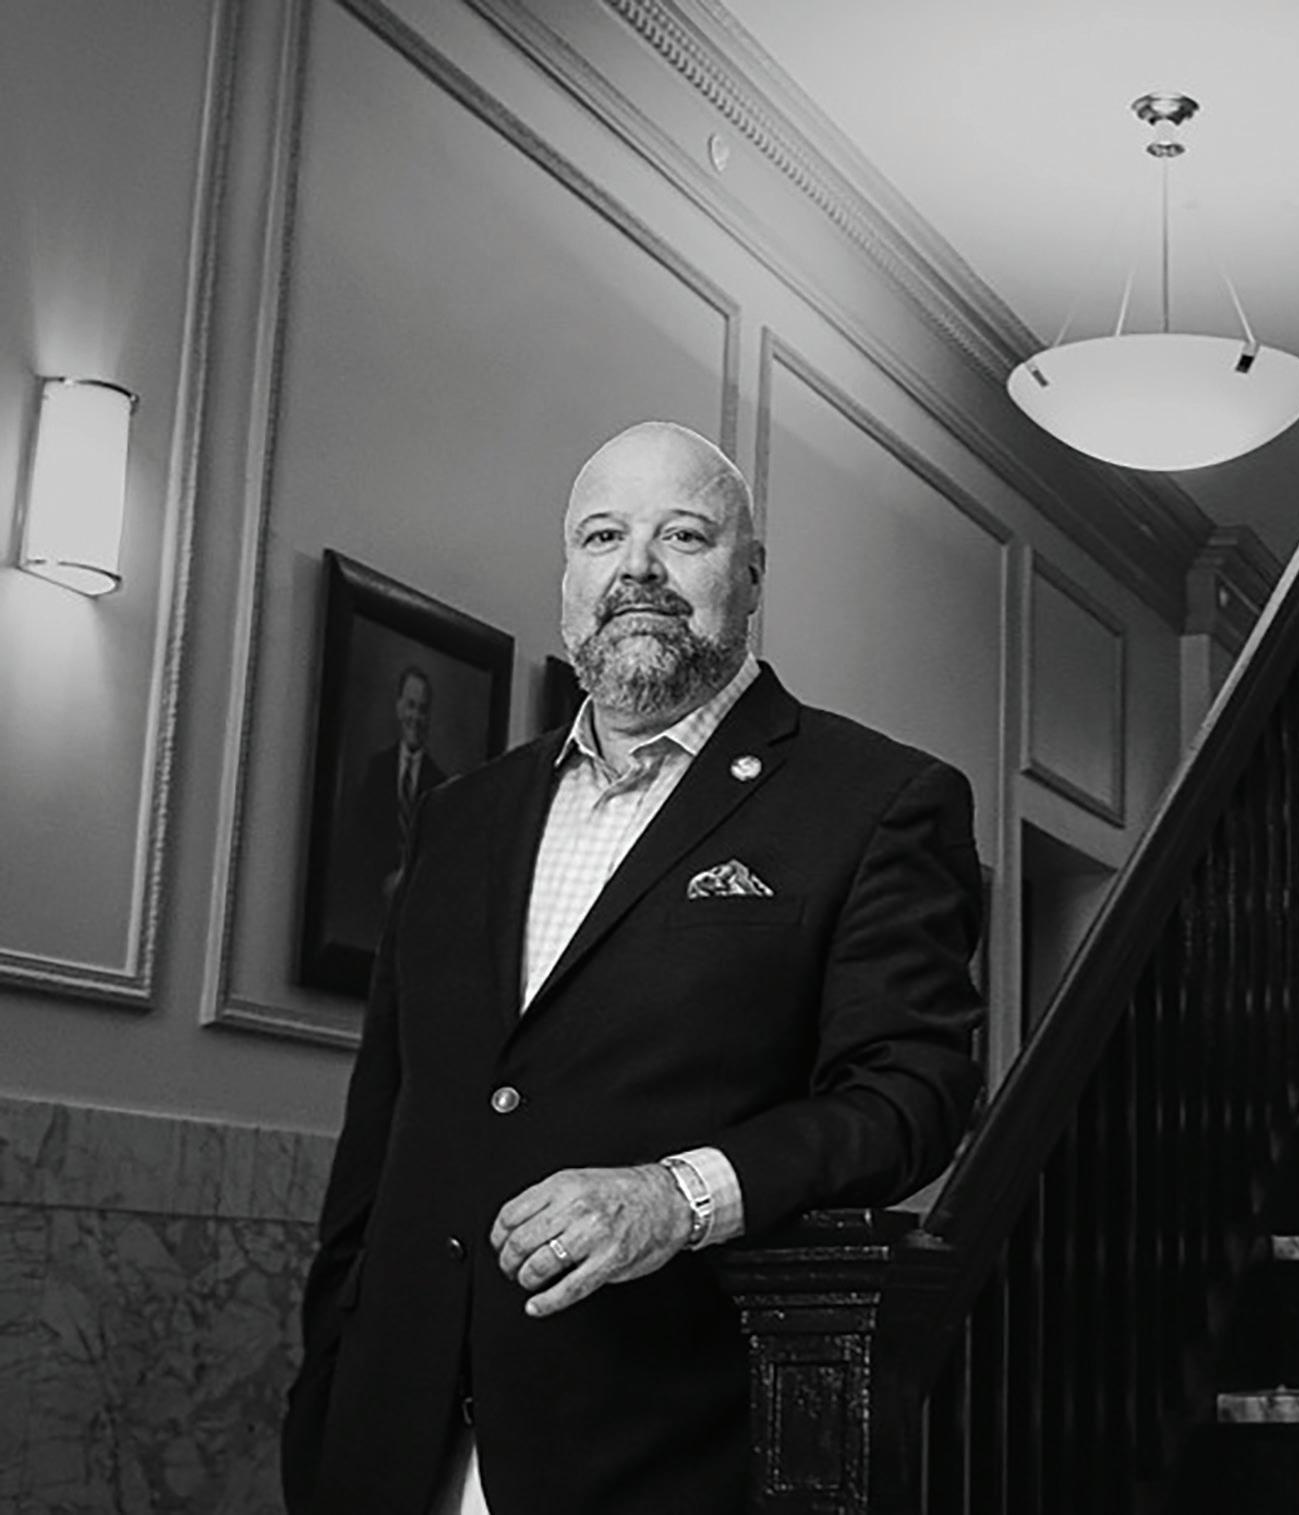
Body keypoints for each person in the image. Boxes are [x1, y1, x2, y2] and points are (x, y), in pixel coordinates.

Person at [283, 421, 985, 1515]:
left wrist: (678, 1195)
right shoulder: (461, 817)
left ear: (751, 575)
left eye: (685, 535)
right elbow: (378, 1138)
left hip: (661, 1449)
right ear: (569, 579)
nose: (639, 569)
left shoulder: (878, 801)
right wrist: (324, 1397)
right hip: (392, 1445)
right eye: (603, 536)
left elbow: (910, 1096)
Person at [338, 664, 447, 946]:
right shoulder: (376, 770)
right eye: (410, 706)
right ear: (399, 708)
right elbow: (360, 842)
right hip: (369, 911)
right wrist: (384, 879)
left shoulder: (442, 785)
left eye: (423, 709)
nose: (416, 717)